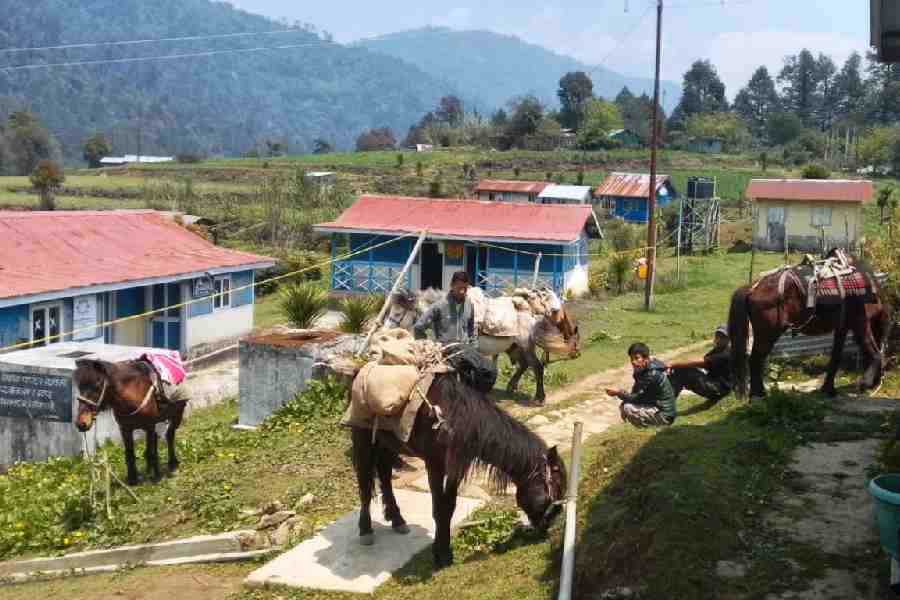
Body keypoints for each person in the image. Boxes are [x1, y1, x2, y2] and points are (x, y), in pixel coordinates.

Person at [605, 342, 676, 427]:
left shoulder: (652, 375)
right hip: (657, 406)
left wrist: (618, 393)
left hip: (665, 415)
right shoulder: (644, 369)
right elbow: (635, 393)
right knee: (626, 404)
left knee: (628, 408)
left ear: (645, 358)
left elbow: (636, 398)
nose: (633, 362)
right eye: (631, 359)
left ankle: (651, 426)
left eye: (636, 358)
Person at [666, 326, 733, 405]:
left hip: (719, 389)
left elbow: (702, 362)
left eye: (722, 337)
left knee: (682, 370)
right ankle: (665, 402)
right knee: (682, 370)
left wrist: (672, 364)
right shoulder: (717, 350)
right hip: (714, 384)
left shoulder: (726, 353)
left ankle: (666, 405)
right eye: (717, 335)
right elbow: (704, 365)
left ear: (728, 339)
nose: (718, 339)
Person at [413, 271, 478, 347]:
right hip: (445, 352)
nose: (462, 291)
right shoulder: (439, 306)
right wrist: (425, 346)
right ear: (452, 285)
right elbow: (418, 327)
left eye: (465, 288)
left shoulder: (469, 305)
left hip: (464, 351)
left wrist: (473, 347)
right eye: (459, 288)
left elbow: (471, 331)